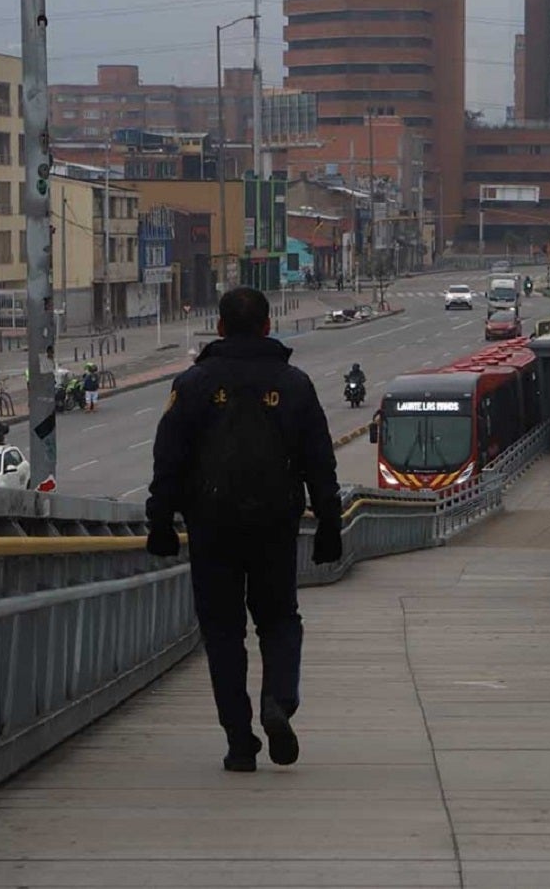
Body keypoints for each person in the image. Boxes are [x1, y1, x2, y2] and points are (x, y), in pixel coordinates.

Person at [145, 287, 342, 773]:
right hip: (275, 524)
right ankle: (279, 699)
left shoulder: (191, 385)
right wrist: (329, 524)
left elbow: (168, 461)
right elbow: (320, 461)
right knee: (279, 620)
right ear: (268, 327)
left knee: (223, 633)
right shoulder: (295, 384)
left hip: (211, 528)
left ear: (218, 328)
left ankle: (239, 741)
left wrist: (160, 522)